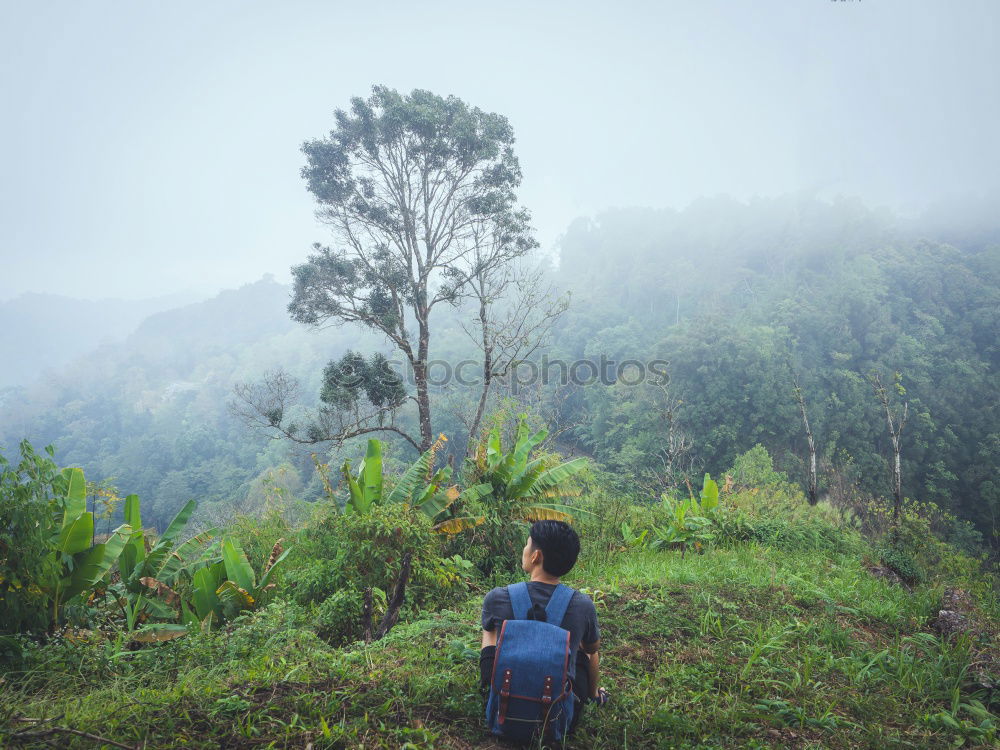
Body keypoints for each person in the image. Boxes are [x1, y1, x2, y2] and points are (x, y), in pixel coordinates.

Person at [479, 520, 609, 735]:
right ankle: (595, 695)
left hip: (505, 694)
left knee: (490, 628)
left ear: (535, 556)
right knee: (587, 649)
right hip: (559, 708)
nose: (524, 549)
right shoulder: (582, 604)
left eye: (527, 544)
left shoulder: (497, 597)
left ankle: (489, 687)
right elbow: (592, 647)